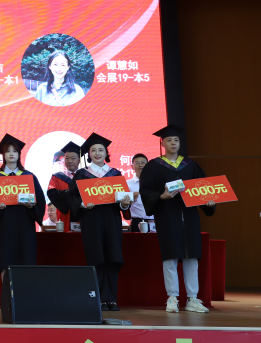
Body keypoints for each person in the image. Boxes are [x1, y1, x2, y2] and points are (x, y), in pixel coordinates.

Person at [139, 125, 215, 314]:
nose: (173, 143)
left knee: (192, 258)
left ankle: (192, 299)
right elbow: (146, 190)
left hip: (189, 217)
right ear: (162, 143)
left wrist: (209, 201)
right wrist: (161, 196)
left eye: (176, 140)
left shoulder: (190, 165)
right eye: (169, 140)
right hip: (167, 216)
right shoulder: (154, 166)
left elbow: (203, 187)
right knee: (170, 257)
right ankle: (172, 297)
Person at [68, 133, 131, 312]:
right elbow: (72, 198)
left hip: (111, 219)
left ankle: (111, 299)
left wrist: (124, 203)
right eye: (94, 150)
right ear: (89, 153)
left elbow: (123, 201)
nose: (97, 153)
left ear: (106, 153)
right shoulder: (82, 174)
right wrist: (82, 204)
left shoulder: (115, 174)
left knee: (113, 256)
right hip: (91, 219)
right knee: (96, 257)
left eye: (101, 150)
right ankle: (99, 299)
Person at [0, 134, 45, 281]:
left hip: (26, 224)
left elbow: (40, 202)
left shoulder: (29, 177)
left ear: (19, 154)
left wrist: (32, 206)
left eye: (14, 151)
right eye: (7, 151)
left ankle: (26, 295)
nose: (11, 154)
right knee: (6, 261)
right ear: (3, 155)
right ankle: (7, 295)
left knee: (27, 260)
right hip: (5, 224)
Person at [46, 141, 82, 232]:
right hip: (65, 214)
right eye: (67, 158)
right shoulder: (57, 177)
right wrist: (70, 195)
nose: (70, 161)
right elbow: (52, 193)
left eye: (73, 158)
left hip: (83, 215)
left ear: (79, 160)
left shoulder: (85, 176)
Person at [127, 153, 154, 232]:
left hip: (154, 221)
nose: (140, 165)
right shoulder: (127, 184)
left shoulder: (155, 182)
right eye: (137, 163)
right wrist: (130, 199)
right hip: (137, 221)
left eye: (143, 162)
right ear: (132, 166)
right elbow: (123, 205)